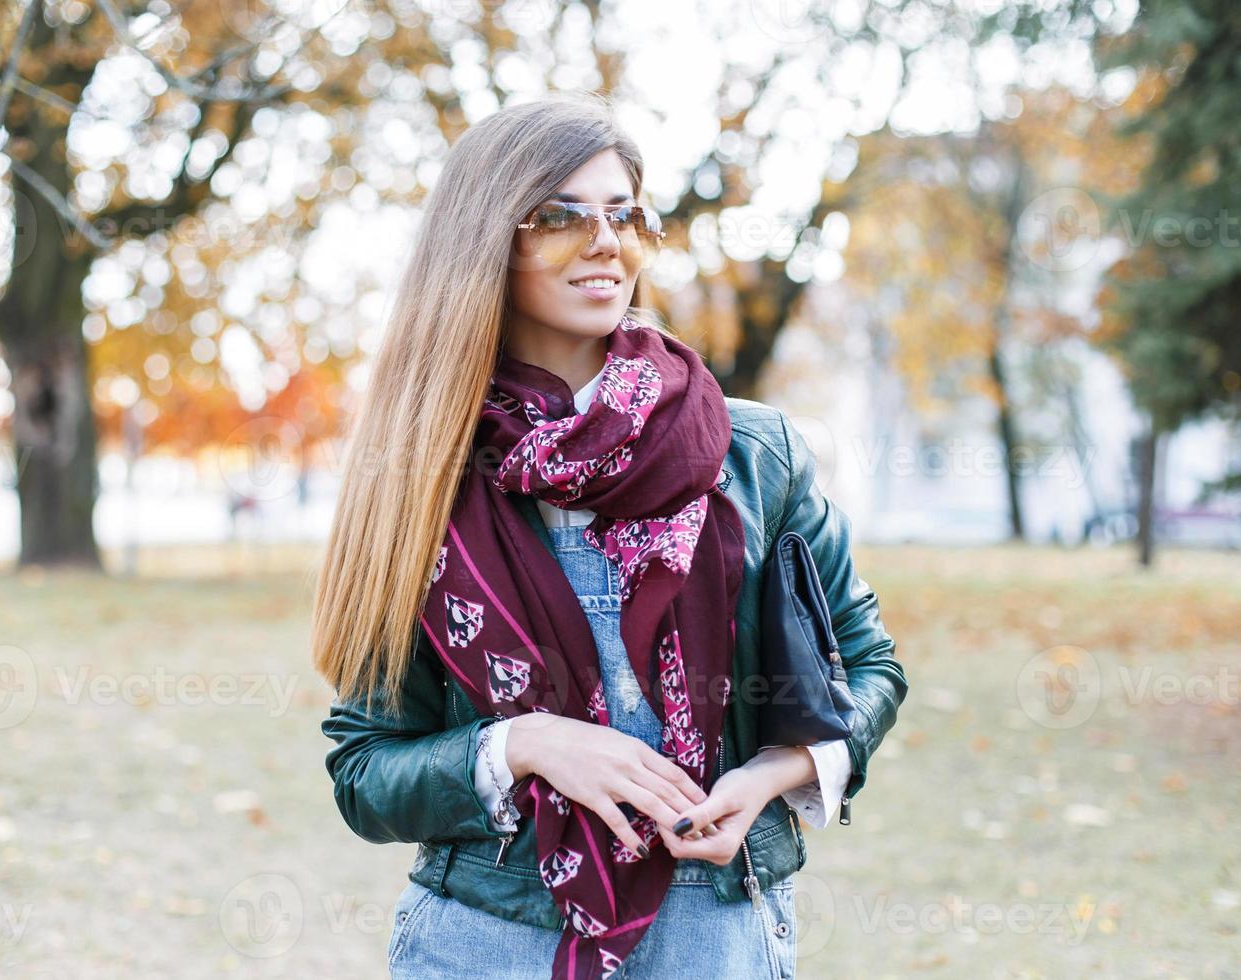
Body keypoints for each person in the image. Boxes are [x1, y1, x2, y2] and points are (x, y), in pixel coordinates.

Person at [313, 92, 907, 980]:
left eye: (625, 215)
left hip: (716, 933)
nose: (605, 242)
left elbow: (869, 671)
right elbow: (365, 771)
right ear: (486, 240)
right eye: (559, 216)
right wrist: (524, 743)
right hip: (490, 939)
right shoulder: (419, 470)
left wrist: (768, 779)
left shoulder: (752, 453)